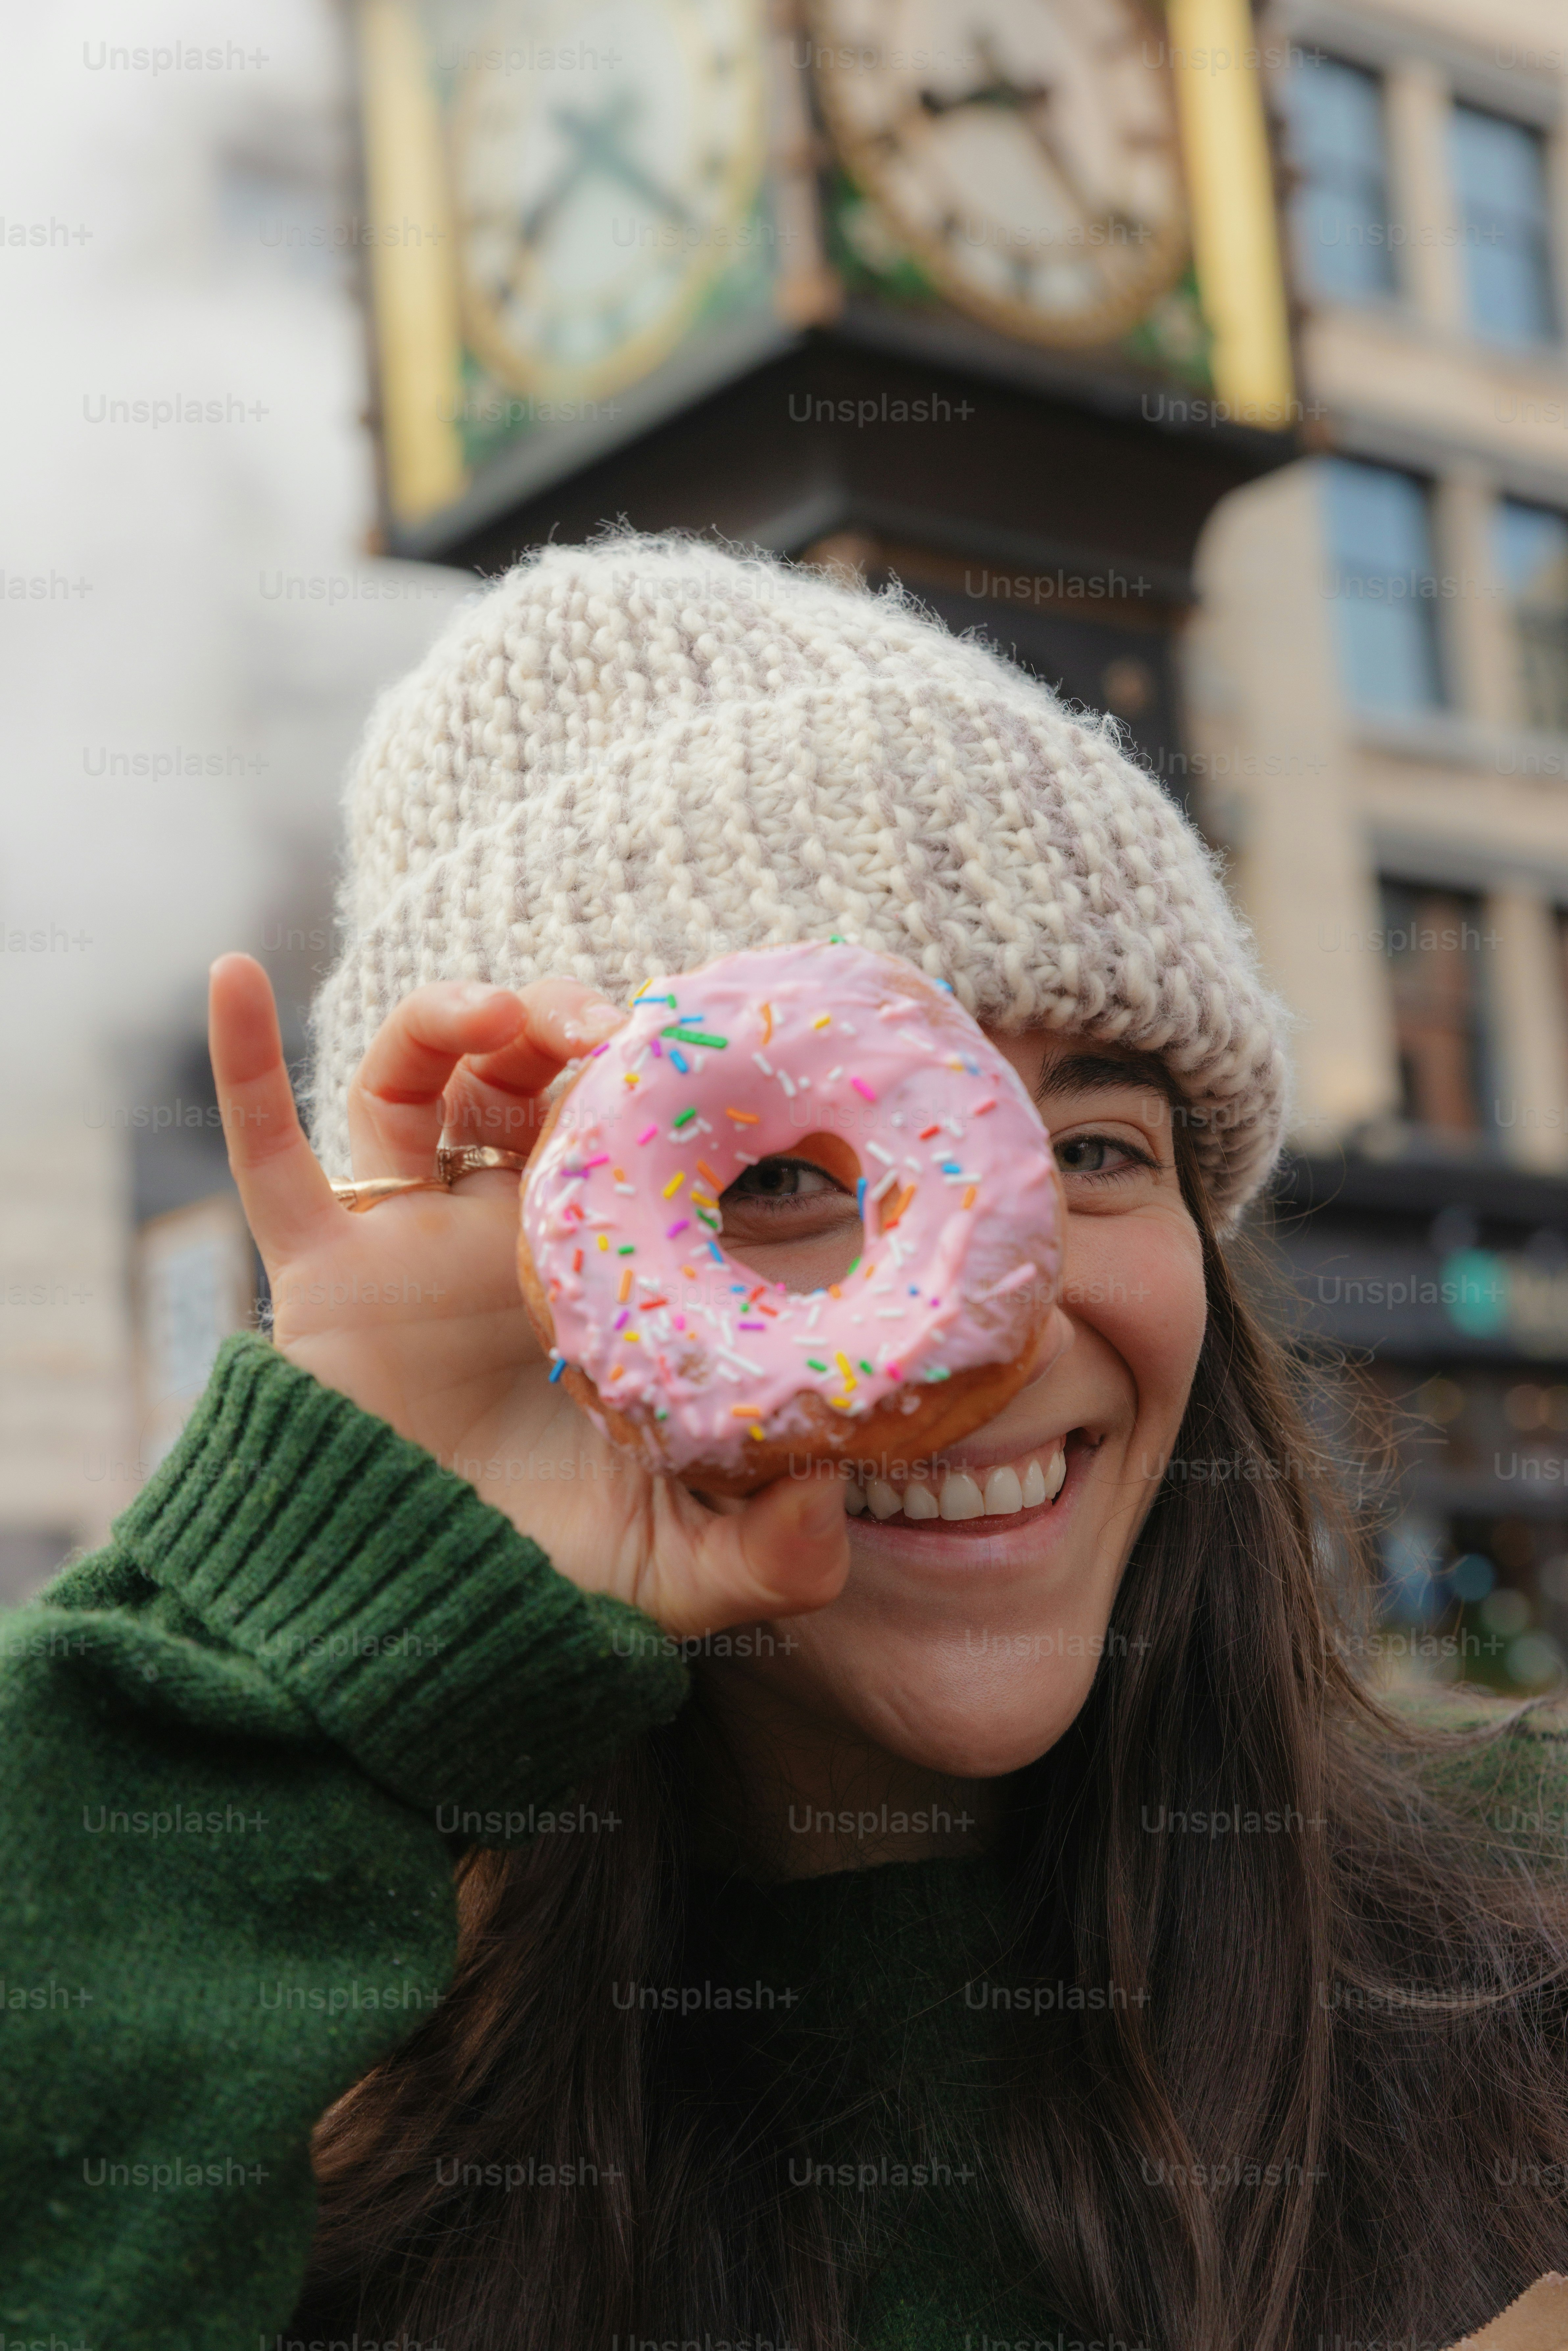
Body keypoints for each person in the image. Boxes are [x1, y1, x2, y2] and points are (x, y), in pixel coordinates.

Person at [4, 537, 1566, 2351]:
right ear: (544, 1295)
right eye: (774, 1178)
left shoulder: (1530, 1945)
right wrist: (293, 1621)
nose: (999, 1308)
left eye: (1094, 1148)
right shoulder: (282, 2160)